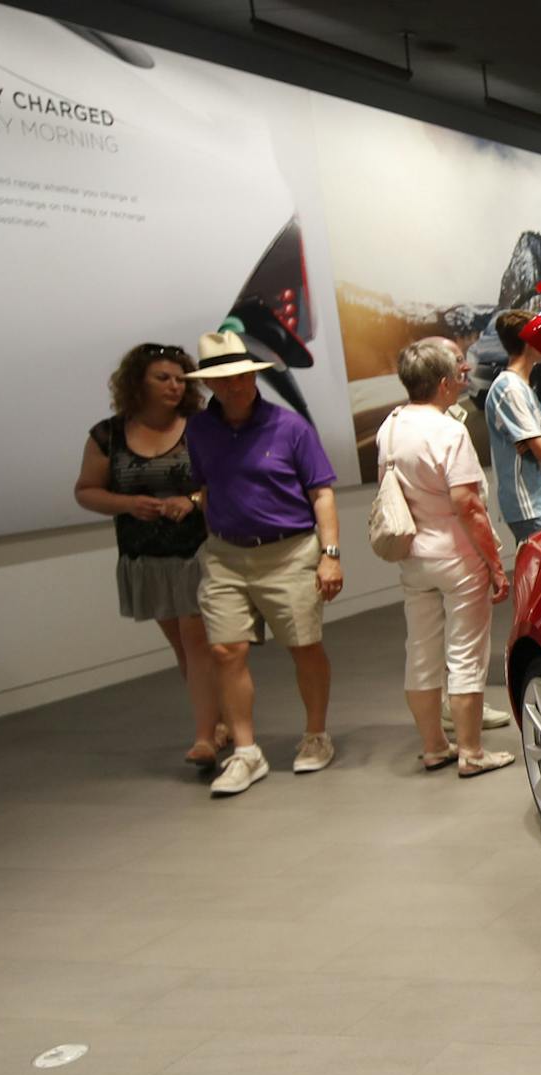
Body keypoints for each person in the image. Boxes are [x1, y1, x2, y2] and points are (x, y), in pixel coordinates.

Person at [183, 331, 340, 797]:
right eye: (223, 379)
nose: (234, 386)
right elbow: (203, 485)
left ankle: (316, 734)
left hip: (289, 551)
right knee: (225, 651)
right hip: (226, 554)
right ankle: (246, 752)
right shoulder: (199, 430)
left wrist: (329, 555)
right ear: (210, 384)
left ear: (254, 374)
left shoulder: (289, 427)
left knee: (304, 645)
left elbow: (322, 493)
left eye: (241, 376)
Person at [71, 343, 222, 769]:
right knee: (181, 644)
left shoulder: (200, 427)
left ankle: (205, 738)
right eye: (163, 378)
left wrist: (191, 500)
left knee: (197, 640)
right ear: (138, 381)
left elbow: (226, 479)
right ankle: (218, 719)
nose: (174, 386)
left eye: (180, 378)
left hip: (198, 548)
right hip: (144, 554)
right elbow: (86, 490)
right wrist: (127, 504)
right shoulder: (108, 435)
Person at [380, 338, 516, 777]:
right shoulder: (448, 430)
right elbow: (468, 505)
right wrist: (495, 564)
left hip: (413, 555)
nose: (461, 381)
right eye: (455, 376)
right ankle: (472, 751)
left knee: (419, 651)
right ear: (442, 384)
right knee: (466, 654)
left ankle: (434, 746)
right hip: (458, 556)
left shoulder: (391, 426)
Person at [483, 310, 541, 543]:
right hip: (528, 504)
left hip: (540, 501)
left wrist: (539, 441)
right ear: (529, 342)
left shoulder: (521, 387)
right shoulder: (510, 389)